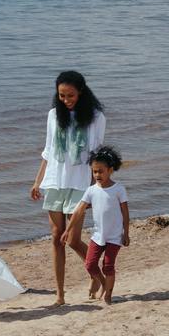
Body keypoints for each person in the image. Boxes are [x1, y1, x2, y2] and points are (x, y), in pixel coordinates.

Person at [30, 71, 106, 305]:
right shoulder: (53, 115)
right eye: (61, 95)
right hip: (55, 181)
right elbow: (48, 151)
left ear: (81, 91)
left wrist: (96, 187)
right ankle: (60, 295)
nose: (66, 100)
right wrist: (37, 181)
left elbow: (97, 155)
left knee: (72, 239)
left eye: (70, 95)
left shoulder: (96, 117)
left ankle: (97, 274)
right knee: (55, 238)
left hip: (80, 182)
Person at [61, 146, 129, 305]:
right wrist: (68, 230)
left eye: (100, 171)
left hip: (114, 236)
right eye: (94, 171)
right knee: (90, 264)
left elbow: (125, 213)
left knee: (108, 265)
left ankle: (108, 296)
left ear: (110, 170)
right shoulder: (91, 190)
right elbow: (78, 211)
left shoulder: (118, 189)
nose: (97, 175)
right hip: (98, 235)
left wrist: (126, 233)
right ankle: (103, 283)